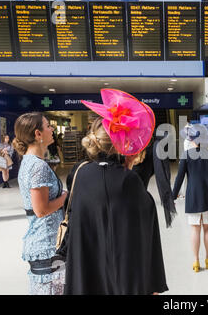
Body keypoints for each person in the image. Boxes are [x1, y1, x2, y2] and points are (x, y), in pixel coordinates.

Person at [64, 89, 168, 295]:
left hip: (88, 278)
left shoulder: (79, 174)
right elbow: (146, 233)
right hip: (126, 280)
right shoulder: (129, 181)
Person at [12, 112, 68, 295]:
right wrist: (66, 197)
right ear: (37, 134)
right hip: (47, 245)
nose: (52, 129)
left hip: (44, 243)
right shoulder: (38, 166)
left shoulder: (30, 162)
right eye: (48, 126)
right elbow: (41, 209)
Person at [172, 124, 208, 272]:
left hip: (193, 196)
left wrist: (173, 196)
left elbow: (179, 179)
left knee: (195, 229)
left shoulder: (186, 155)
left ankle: (196, 261)